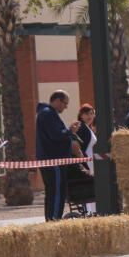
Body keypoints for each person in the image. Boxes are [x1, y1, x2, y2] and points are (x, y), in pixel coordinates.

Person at [36, 90, 80, 221]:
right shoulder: (48, 114)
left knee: (54, 191)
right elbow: (56, 135)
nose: (66, 107)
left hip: (52, 159)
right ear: (57, 101)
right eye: (65, 103)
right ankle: (54, 219)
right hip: (53, 160)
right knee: (56, 192)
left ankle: (52, 218)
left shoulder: (48, 114)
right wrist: (70, 131)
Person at [76, 104, 97, 173]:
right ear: (81, 115)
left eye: (91, 113)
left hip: (90, 162)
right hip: (85, 163)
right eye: (87, 114)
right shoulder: (81, 127)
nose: (90, 116)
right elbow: (78, 147)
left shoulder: (87, 127)